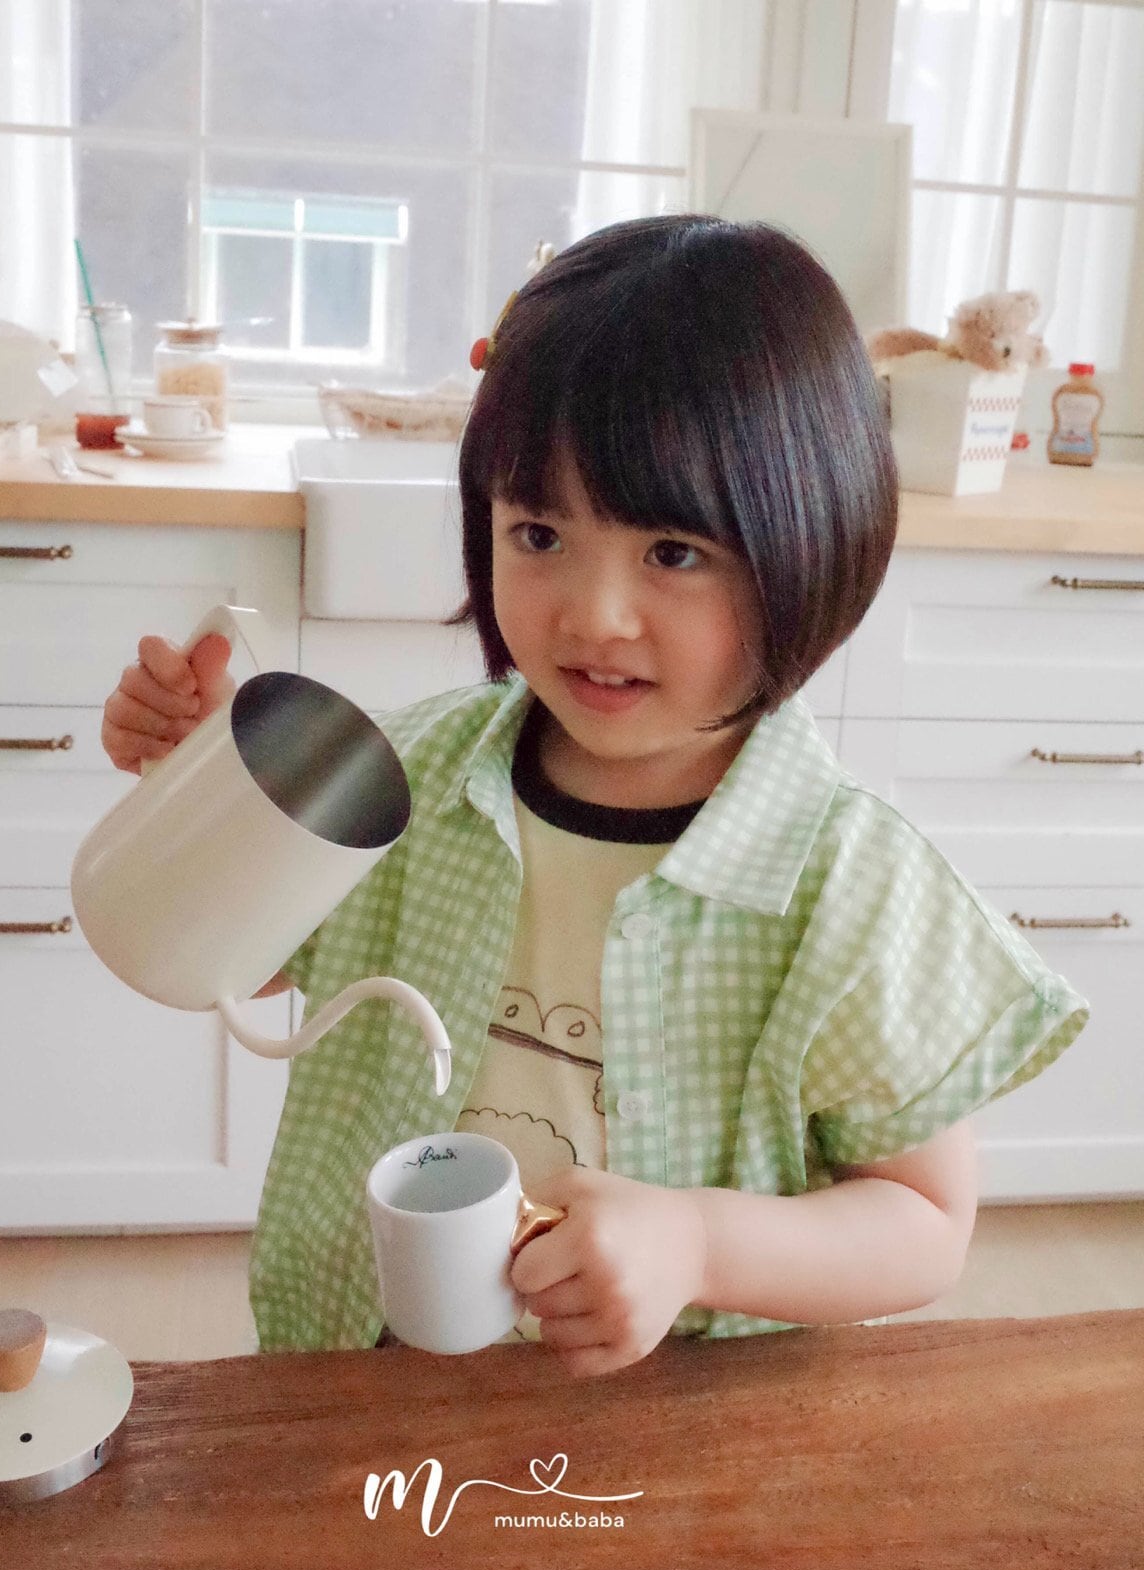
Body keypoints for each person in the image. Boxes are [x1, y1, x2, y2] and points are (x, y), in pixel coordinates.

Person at [102, 216, 1088, 1378]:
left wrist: (698, 1242)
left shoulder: (848, 883)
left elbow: (923, 1225)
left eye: (671, 553)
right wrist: (204, 794)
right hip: (369, 1378)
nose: (592, 615)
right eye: (537, 532)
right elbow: (245, 966)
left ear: (813, 540)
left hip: (666, 1425)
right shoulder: (398, 780)